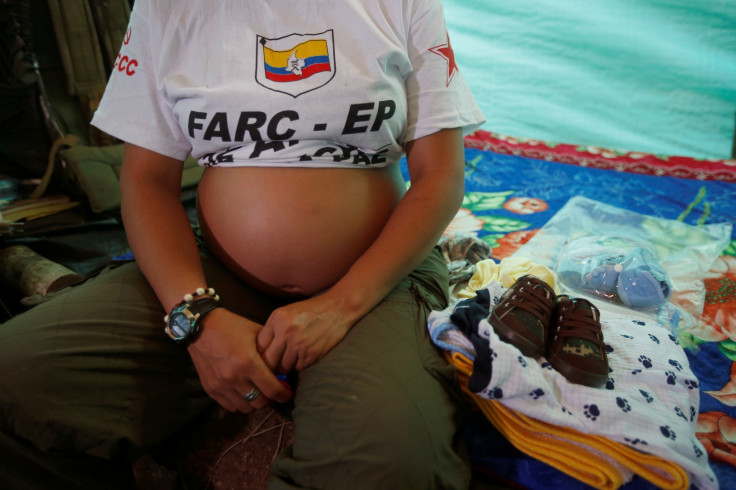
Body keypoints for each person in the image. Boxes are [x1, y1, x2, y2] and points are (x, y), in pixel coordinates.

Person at [0, 0, 485, 488]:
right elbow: (147, 183)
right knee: (14, 375)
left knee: (380, 458)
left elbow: (439, 177)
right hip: (214, 273)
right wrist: (196, 319)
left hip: (376, 281)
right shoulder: (168, 9)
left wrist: (340, 306)